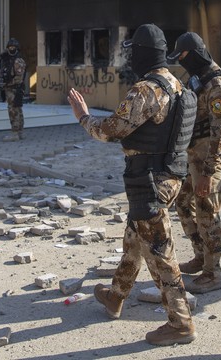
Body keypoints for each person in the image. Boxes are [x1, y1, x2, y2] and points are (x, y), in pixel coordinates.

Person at [67, 23, 196, 347]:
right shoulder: (178, 85)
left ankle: (180, 323)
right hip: (170, 176)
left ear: (141, 54)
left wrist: (84, 117)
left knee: (159, 251)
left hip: (149, 180)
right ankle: (116, 294)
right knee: (134, 238)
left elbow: (112, 129)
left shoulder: (146, 90)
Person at [168, 32, 221, 294]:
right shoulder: (201, 78)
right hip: (194, 153)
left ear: (194, 54)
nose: (182, 62)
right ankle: (201, 256)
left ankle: (213, 272)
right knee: (183, 204)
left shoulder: (217, 84)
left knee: (207, 212)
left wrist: (209, 172)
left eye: (183, 57)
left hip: (209, 156)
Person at [0, 37, 26, 142]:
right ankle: (19, 132)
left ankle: (16, 132)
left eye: (13, 47)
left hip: (15, 89)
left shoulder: (19, 61)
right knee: (16, 109)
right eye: (10, 47)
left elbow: (19, 78)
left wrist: (7, 83)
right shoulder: (7, 60)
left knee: (14, 110)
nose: (11, 49)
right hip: (9, 88)